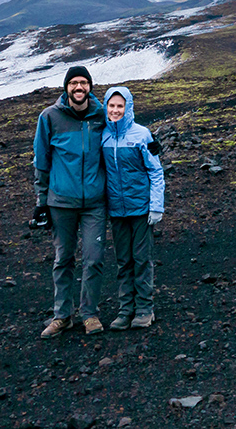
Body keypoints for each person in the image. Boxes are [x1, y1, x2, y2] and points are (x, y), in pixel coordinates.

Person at [32, 66, 108, 338]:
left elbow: (122, 135)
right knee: (63, 259)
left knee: (94, 258)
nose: (79, 88)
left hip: (95, 204)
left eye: (83, 83)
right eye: (74, 83)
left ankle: (89, 314)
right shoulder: (50, 117)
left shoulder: (101, 115)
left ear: (90, 86)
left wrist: (149, 145)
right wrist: (41, 201)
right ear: (66, 87)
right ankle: (62, 316)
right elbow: (42, 161)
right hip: (61, 202)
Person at [101, 86, 165, 330]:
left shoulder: (142, 134)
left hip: (140, 209)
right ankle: (125, 309)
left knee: (141, 259)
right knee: (123, 260)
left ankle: (145, 309)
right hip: (116, 209)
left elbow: (155, 171)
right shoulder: (103, 135)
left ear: (128, 108)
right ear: (106, 107)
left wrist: (156, 206)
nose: (115, 110)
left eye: (120, 106)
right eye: (111, 105)